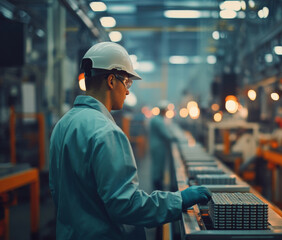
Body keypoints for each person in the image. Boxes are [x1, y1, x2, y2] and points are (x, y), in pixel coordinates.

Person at [49, 42, 211, 240]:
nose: (127, 91)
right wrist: (178, 200)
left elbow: (58, 191)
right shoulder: (107, 132)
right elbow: (126, 206)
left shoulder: (62, 125)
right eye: (126, 82)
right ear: (111, 80)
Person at [149, 100, 173, 190]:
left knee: (156, 166)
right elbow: (166, 134)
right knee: (158, 166)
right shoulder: (158, 121)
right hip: (159, 147)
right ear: (163, 110)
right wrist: (174, 138)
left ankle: (157, 184)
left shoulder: (155, 119)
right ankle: (157, 186)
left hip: (156, 146)